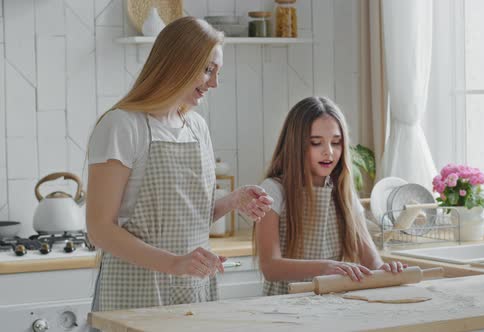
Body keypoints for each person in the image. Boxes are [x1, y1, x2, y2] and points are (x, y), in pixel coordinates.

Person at [86, 17, 272, 312]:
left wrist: (234, 201)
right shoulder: (121, 125)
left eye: (217, 71)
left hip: (191, 290)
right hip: (136, 292)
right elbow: (99, 229)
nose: (215, 83)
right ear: (176, 63)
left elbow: (190, 217)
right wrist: (174, 263)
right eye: (208, 70)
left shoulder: (196, 127)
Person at [255, 96, 405, 295]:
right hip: (286, 305)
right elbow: (270, 268)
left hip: (333, 304)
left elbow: (371, 260)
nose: (329, 152)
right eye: (316, 143)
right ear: (295, 145)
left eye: (336, 143)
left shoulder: (343, 192)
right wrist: (326, 268)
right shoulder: (273, 190)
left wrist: (384, 270)